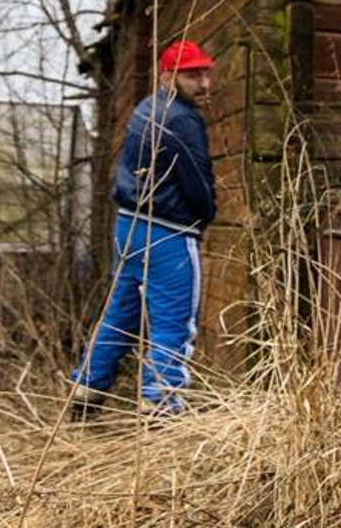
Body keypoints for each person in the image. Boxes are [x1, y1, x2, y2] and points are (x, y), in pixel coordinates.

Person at [70, 40, 216, 416]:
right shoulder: (182, 118)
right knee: (174, 321)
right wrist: (206, 214)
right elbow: (197, 183)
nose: (203, 83)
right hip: (168, 231)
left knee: (121, 314)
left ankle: (86, 391)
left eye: (205, 73)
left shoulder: (145, 109)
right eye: (192, 75)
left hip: (129, 227)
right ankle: (162, 407)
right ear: (168, 76)